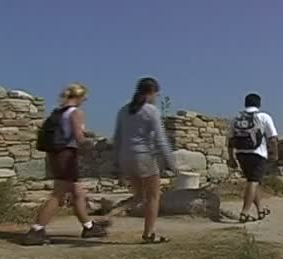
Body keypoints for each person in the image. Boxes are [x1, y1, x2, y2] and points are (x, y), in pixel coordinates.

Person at [23, 83, 110, 246]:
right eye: (84, 97)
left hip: (56, 155)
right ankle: (36, 231)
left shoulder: (58, 112)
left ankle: (89, 227)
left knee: (78, 193)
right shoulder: (76, 112)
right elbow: (78, 137)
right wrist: (89, 146)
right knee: (58, 195)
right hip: (67, 156)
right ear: (80, 97)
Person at [112, 77, 178, 243]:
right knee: (153, 196)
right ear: (152, 93)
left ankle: (113, 213)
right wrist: (172, 164)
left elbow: (117, 138)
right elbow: (160, 139)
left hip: (126, 157)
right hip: (144, 157)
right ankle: (149, 234)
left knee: (140, 196)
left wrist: (117, 163)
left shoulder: (123, 110)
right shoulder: (151, 111)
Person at [228, 93, 279, 223]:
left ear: (245, 104)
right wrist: (275, 153)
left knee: (252, 181)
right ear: (259, 104)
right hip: (257, 153)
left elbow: (230, 140)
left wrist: (231, 158)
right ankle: (244, 213)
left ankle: (260, 210)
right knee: (253, 182)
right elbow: (272, 138)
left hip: (240, 154)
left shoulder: (236, 119)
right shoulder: (263, 117)